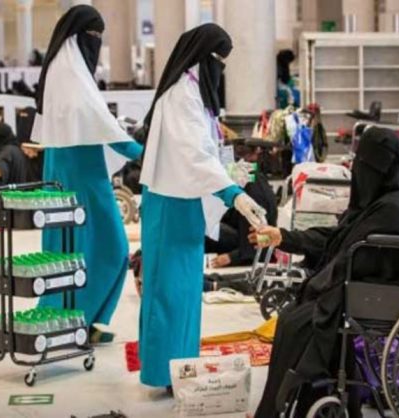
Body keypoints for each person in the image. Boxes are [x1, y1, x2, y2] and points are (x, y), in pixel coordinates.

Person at [251, 127, 399, 417]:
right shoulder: (390, 199)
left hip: (379, 294)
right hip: (372, 288)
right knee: (294, 317)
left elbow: (353, 254)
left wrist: (320, 282)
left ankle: (285, 406)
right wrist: (283, 237)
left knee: (297, 321)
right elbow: (339, 239)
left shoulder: (393, 211)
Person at [138, 23, 267, 389]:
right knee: (170, 292)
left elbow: (204, 151)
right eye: (219, 61)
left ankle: (180, 367)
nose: (221, 69)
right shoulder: (181, 94)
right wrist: (231, 193)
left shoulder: (194, 91)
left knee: (185, 291)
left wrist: (230, 174)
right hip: (170, 202)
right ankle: (164, 372)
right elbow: (192, 155)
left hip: (186, 202)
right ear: (204, 58)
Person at [31, 5, 142, 336]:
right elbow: (97, 121)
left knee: (82, 251)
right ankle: (67, 322)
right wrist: (143, 153)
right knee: (102, 248)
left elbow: (92, 120)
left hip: (75, 169)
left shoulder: (65, 69)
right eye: (92, 36)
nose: (95, 43)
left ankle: (84, 321)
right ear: (78, 37)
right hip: (80, 175)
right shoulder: (69, 73)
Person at [205, 143, 278, 268]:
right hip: (241, 238)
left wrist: (232, 257)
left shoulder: (253, 185)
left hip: (247, 246)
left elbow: (264, 234)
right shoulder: (243, 180)